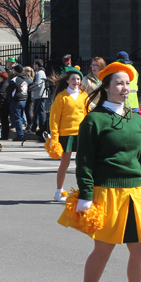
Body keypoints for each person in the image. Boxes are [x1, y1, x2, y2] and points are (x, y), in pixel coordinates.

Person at [58, 61, 141, 282]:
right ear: (107, 87)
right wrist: (86, 195)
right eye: (119, 83)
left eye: (127, 83)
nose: (125, 88)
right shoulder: (94, 120)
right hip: (107, 192)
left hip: (134, 192)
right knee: (104, 248)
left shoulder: (135, 119)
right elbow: (86, 161)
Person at [48, 67, 88, 202]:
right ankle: (59, 191)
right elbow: (54, 119)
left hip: (81, 134)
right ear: (67, 80)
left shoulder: (84, 96)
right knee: (65, 163)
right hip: (66, 135)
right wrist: (54, 138)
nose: (76, 81)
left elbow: (88, 115)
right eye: (73, 79)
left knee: (83, 164)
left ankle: (84, 191)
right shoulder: (61, 97)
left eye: (78, 79)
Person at [7, 64, 32, 142]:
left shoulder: (15, 79)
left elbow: (8, 89)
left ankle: (20, 135)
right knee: (20, 117)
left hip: (16, 100)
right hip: (24, 99)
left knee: (17, 118)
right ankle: (21, 133)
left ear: (16, 71)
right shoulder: (26, 79)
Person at [29, 59, 48, 133]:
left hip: (40, 95)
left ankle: (41, 127)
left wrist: (30, 88)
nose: (33, 66)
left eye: (34, 64)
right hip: (39, 95)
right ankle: (35, 126)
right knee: (37, 111)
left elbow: (38, 84)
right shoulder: (40, 72)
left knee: (40, 111)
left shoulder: (40, 73)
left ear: (37, 65)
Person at [0, 71, 10, 140]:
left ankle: (5, 135)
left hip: (4, 106)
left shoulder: (4, 85)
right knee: (4, 121)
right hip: (4, 105)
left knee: (4, 121)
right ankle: (4, 134)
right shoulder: (4, 84)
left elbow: (2, 95)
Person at [23, 66, 35, 131]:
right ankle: (29, 124)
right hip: (30, 96)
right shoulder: (31, 79)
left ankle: (30, 124)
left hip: (29, 97)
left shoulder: (28, 79)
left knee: (28, 111)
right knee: (28, 111)